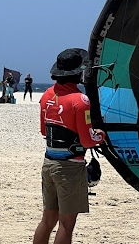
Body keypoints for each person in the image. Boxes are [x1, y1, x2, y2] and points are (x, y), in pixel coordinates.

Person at [33, 48, 106, 244]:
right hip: (69, 167)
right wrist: (100, 136)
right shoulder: (80, 100)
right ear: (79, 72)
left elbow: (43, 131)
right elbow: (86, 141)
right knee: (67, 224)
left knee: (47, 220)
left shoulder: (46, 95)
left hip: (48, 164)